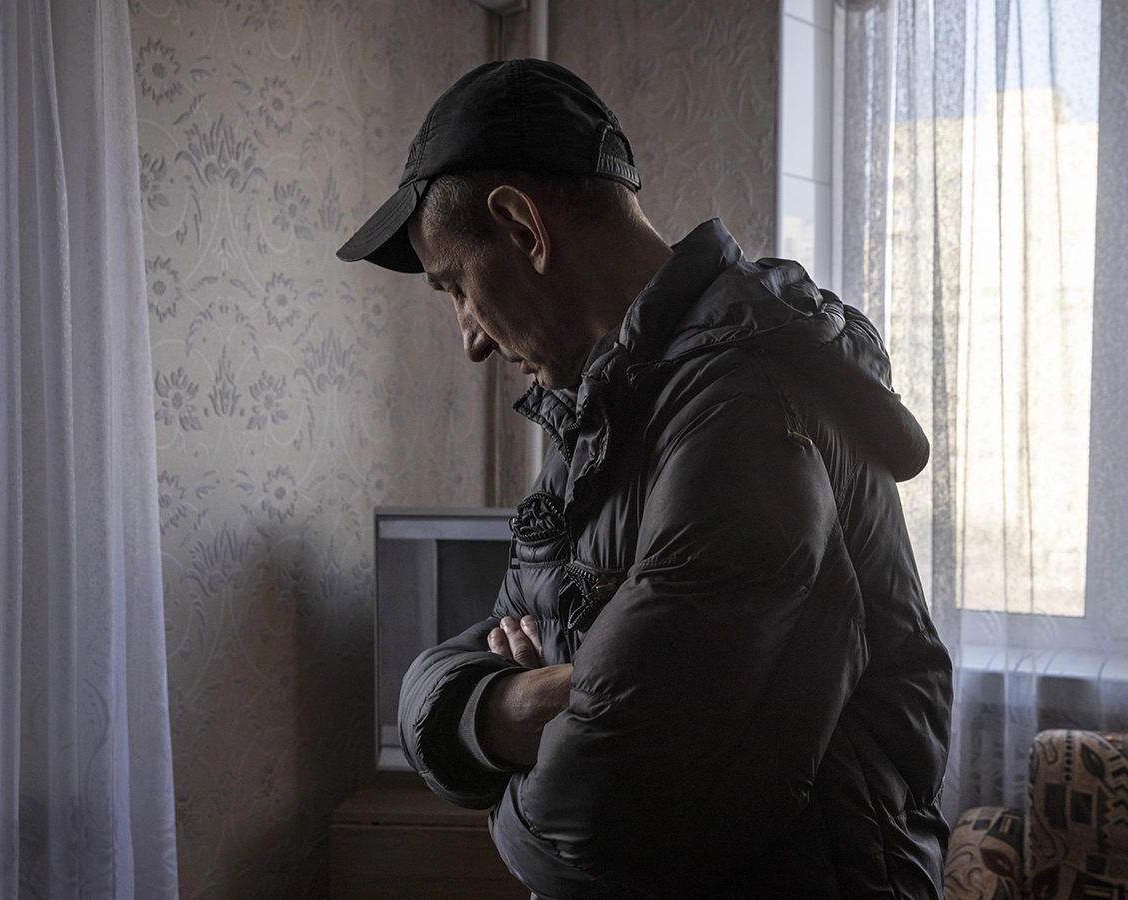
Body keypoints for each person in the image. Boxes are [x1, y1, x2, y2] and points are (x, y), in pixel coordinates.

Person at [337, 58, 952, 899]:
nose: (470, 338)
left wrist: (539, 702)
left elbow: (596, 822)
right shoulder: (605, 404)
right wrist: (526, 703)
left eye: (457, 288)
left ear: (523, 228)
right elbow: (461, 658)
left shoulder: (744, 413)